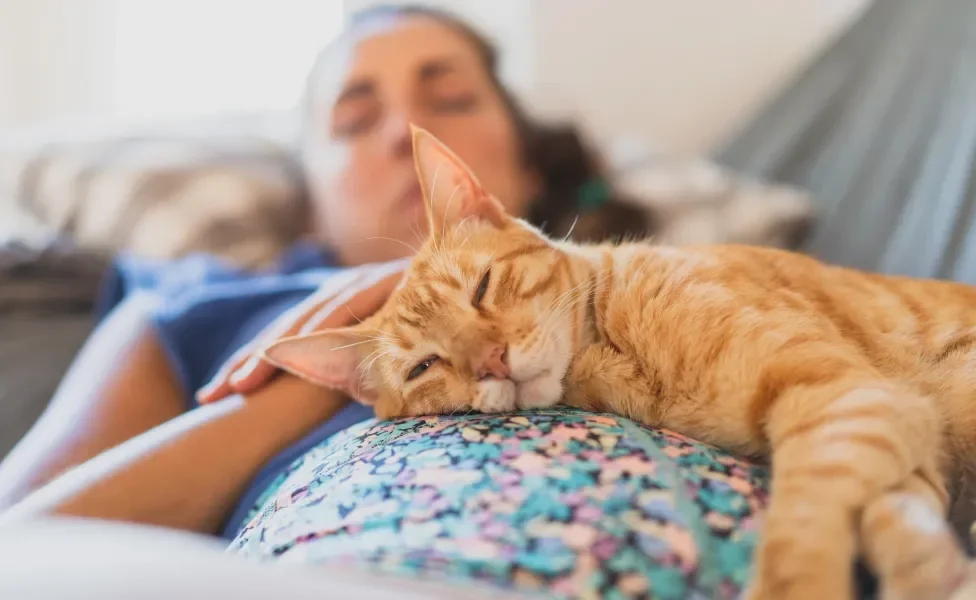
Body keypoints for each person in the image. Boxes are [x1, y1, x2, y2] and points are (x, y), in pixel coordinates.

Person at [0, 6, 771, 598]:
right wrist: (342, 368)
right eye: (354, 119)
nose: (409, 132)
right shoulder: (193, 309)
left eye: (453, 97)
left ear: (525, 170)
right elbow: (20, 552)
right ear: (310, 198)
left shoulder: (676, 277)